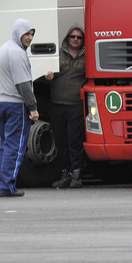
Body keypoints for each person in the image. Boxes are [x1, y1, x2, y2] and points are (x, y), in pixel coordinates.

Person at [0, 19, 39, 198]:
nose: (30, 38)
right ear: (18, 33)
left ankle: (3, 183)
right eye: (26, 34)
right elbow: (23, 85)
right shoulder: (17, 53)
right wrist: (32, 107)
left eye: (32, 34)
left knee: (5, 145)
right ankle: (7, 186)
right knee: (15, 146)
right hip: (14, 104)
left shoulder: (4, 48)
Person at [44, 25, 87, 189]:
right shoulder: (57, 54)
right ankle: (65, 173)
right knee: (61, 141)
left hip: (76, 104)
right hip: (57, 104)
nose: (75, 39)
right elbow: (44, 75)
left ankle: (77, 174)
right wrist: (48, 77)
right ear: (67, 38)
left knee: (75, 140)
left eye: (79, 37)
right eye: (72, 37)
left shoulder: (87, 56)